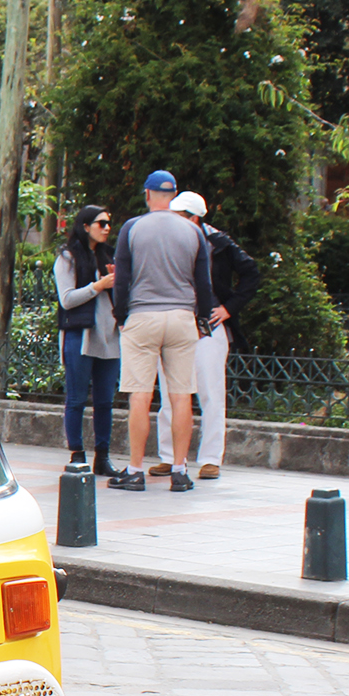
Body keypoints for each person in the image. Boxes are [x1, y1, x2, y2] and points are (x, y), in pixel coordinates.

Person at [108, 169, 215, 494]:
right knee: (181, 395)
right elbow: (204, 282)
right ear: (174, 195)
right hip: (182, 317)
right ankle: (180, 471)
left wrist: (121, 314)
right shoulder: (192, 231)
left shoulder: (132, 228)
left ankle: (136, 470)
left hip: (143, 316)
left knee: (140, 394)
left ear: (147, 194)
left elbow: (122, 278)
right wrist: (201, 318)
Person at [153, 192, 262, 482]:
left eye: (179, 216)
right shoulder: (167, 242)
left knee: (210, 393)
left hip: (208, 327)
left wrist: (228, 308)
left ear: (194, 218)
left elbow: (252, 274)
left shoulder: (220, 244)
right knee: (168, 393)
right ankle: (169, 456)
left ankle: (211, 458)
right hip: (174, 322)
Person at [55, 204, 121, 476]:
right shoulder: (68, 257)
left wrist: (117, 283)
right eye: (100, 223)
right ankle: (77, 454)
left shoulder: (109, 256)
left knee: (105, 400)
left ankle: (102, 457)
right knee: (77, 398)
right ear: (85, 226)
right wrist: (98, 286)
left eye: (108, 223)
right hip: (80, 336)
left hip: (110, 337)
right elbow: (67, 299)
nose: (106, 228)